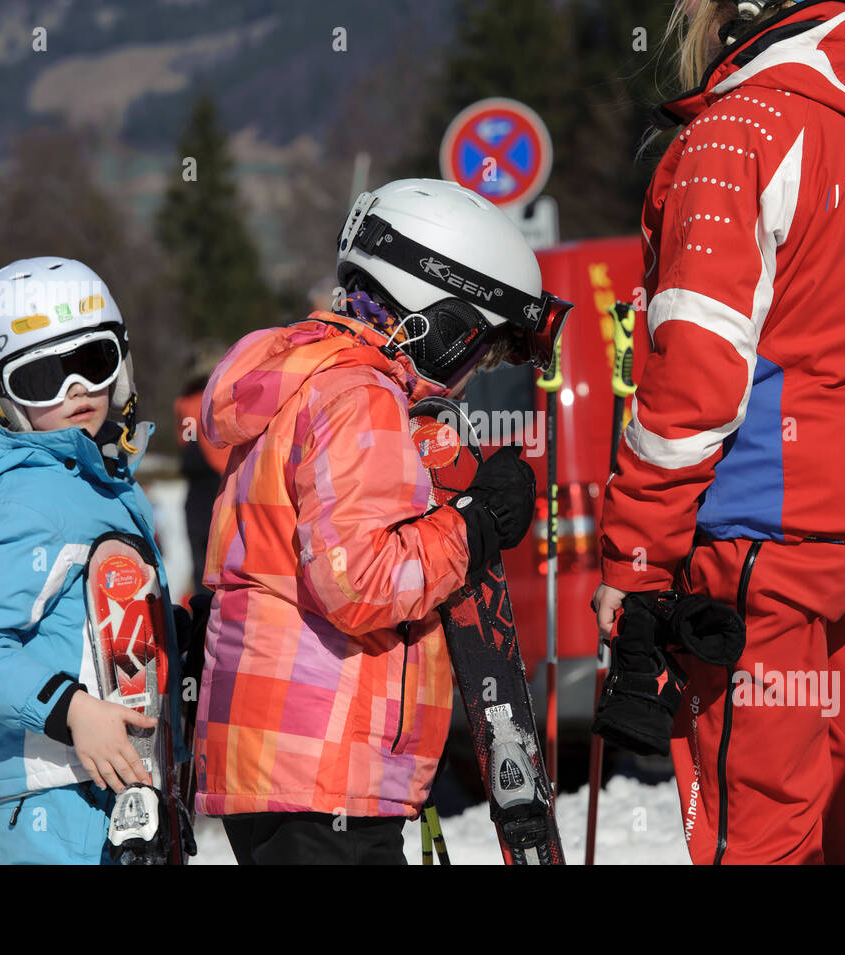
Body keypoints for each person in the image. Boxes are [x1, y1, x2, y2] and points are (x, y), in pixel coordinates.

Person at [593, 0, 845, 864]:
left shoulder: (740, 132)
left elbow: (693, 385)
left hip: (773, 536)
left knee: (759, 826)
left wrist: (635, 557)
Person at [193, 178, 568, 865]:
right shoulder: (360, 395)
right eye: (478, 347)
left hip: (291, 757)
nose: (471, 373)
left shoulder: (307, 376)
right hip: (319, 762)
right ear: (441, 322)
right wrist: (479, 524)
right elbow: (361, 584)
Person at [0, 257, 189, 864]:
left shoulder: (106, 481)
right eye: (41, 378)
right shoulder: (32, 497)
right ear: (2, 396)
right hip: (59, 800)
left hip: (126, 789)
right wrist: (69, 710)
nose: (75, 389)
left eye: (92, 363)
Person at [173, 343, 230, 598]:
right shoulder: (221, 397)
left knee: (201, 569)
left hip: (197, 491)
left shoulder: (184, 402)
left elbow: (185, 440)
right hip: (219, 488)